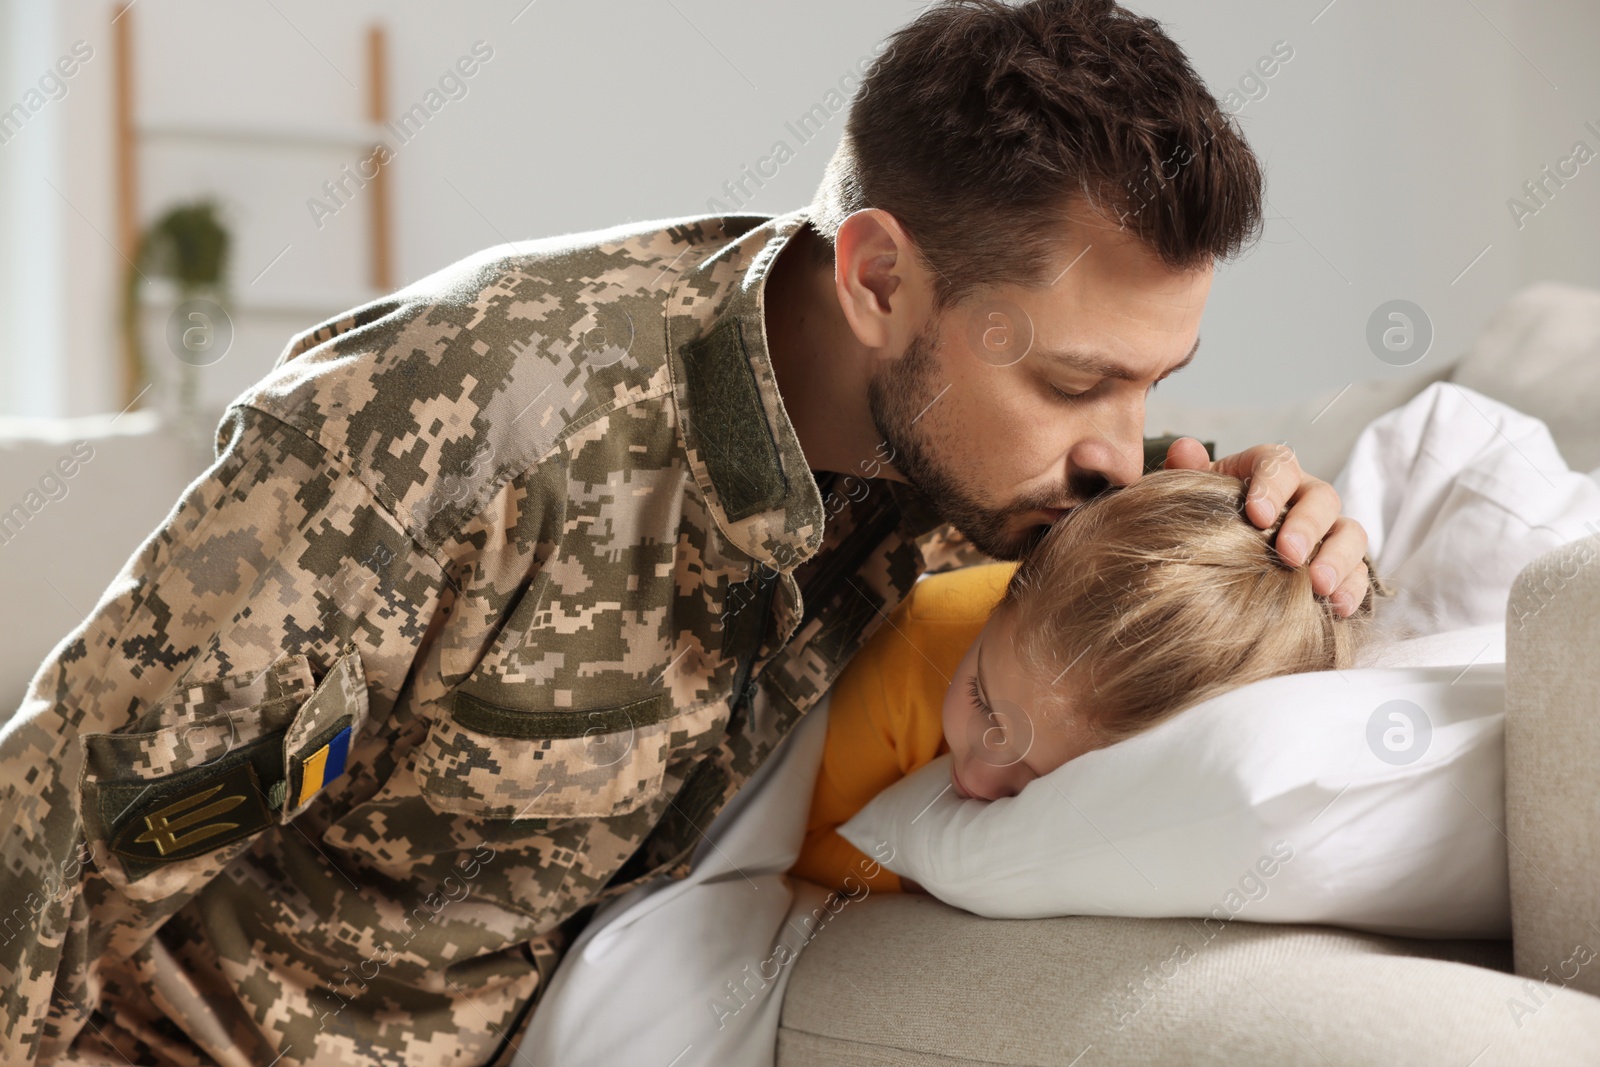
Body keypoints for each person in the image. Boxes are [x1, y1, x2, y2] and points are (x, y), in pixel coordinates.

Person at [0, 1, 1374, 1063]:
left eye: (1154, 385)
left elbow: (1138, 624)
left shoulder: (989, 476)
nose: (1114, 452)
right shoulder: (447, 433)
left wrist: (1266, 544)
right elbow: (43, 854)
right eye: (1077, 382)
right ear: (881, 279)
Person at [792, 469, 1380, 895]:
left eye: (1041, 777)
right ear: (1004, 599)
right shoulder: (918, 643)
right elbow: (805, 838)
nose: (975, 776)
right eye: (980, 700)